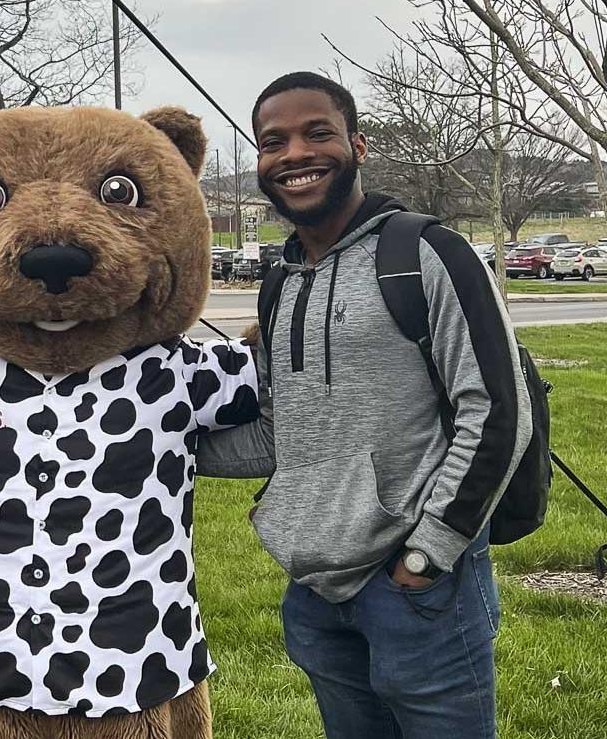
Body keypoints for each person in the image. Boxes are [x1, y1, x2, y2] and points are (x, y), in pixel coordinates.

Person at [197, 71, 533, 739]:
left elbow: (495, 411)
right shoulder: (277, 282)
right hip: (317, 595)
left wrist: (426, 556)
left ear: (356, 143)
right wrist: (142, 449)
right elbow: (275, 433)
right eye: (273, 141)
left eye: (315, 132)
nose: (294, 154)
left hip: (418, 590)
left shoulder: (426, 252)